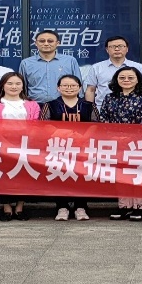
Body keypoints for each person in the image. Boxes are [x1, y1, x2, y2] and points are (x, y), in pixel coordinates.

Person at [100, 66, 142, 222]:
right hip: (115, 143)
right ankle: (124, 206)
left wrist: (130, 137)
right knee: (121, 174)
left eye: (130, 77)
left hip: (139, 143)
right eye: (122, 77)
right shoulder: (110, 97)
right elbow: (104, 119)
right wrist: (115, 137)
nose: (126, 80)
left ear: (138, 79)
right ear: (116, 80)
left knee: (139, 174)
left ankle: (140, 207)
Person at [41, 74, 100, 221]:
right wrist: (63, 134)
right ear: (58, 88)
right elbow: (44, 124)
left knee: (81, 176)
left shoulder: (88, 105)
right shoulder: (50, 104)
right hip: (58, 146)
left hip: (83, 147)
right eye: (65, 85)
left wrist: (83, 137)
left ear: (79, 88)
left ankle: (81, 206)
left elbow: (96, 124)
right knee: (60, 175)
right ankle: (62, 207)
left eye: (73, 85)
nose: (69, 88)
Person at [0, 72, 41, 221]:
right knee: (3, 175)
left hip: (25, 145)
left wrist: (24, 140)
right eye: (9, 83)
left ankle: (20, 206)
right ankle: (6, 206)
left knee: (23, 175)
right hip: (1, 145)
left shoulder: (32, 105)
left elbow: (36, 125)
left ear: (23, 86)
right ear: (2, 86)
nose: (14, 87)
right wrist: (4, 141)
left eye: (17, 84)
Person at [19, 30, 82, 104]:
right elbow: (22, 87)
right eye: (42, 41)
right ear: (36, 43)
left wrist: (80, 104)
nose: (46, 44)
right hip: (36, 105)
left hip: (64, 105)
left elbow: (78, 84)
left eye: (50, 41)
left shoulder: (70, 61)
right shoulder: (26, 63)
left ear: (57, 43)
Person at [85, 36, 142, 108]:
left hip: (133, 108)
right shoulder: (96, 67)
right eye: (112, 46)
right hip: (103, 108)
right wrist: (90, 109)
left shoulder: (139, 67)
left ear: (127, 49)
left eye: (120, 46)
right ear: (107, 50)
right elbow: (91, 90)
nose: (117, 49)